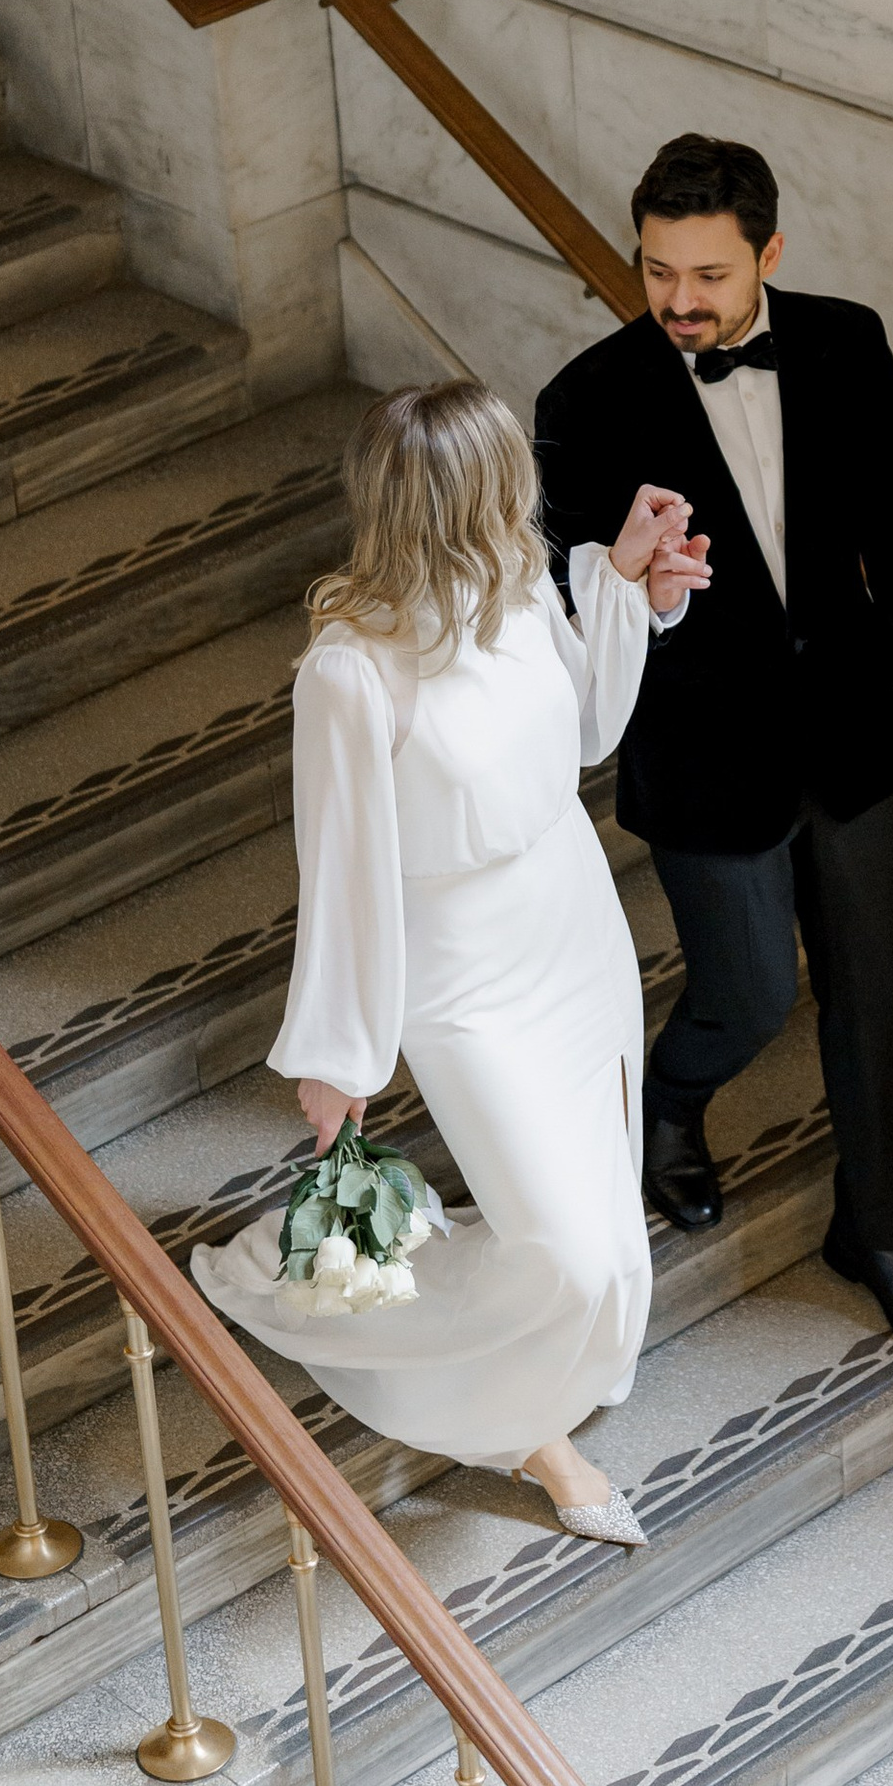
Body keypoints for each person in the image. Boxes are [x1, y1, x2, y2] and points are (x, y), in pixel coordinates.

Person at [194, 381, 708, 1541]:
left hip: (570, 924)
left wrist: (626, 588)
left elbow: (583, 733)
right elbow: (341, 868)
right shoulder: (347, 672)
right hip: (462, 975)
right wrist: (339, 1050)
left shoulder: (518, 585)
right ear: (465, 498)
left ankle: (553, 1372)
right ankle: (528, 1434)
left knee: (598, 1212)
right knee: (567, 1251)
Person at [534, 135, 893, 1358]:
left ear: (768, 255)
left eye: (709, 275)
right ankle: (665, 1108)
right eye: (658, 269)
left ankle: (873, 1232)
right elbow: (574, 613)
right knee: (748, 995)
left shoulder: (845, 340)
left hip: (849, 727)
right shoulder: (583, 403)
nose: (680, 299)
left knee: (864, 996)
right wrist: (640, 587)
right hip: (701, 748)